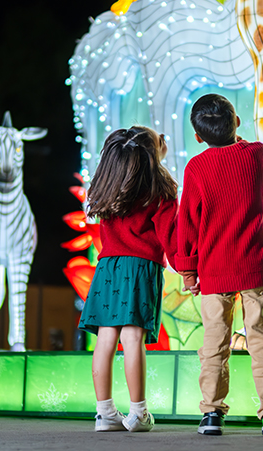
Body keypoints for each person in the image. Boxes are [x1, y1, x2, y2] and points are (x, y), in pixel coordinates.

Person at [176, 94, 263, 436]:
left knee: (214, 344)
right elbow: (243, 147)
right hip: (254, 269)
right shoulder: (256, 154)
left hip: (213, 271)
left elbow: (187, 221)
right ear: (237, 123)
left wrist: (188, 270)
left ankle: (212, 414)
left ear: (199, 137)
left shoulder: (196, 168)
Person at [79, 126, 178, 433]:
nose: (164, 139)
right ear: (151, 155)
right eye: (159, 140)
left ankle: (105, 413)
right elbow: (169, 238)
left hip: (107, 267)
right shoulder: (161, 191)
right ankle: (138, 413)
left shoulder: (107, 187)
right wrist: (187, 266)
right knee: (133, 338)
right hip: (141, 268)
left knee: (105, 339)